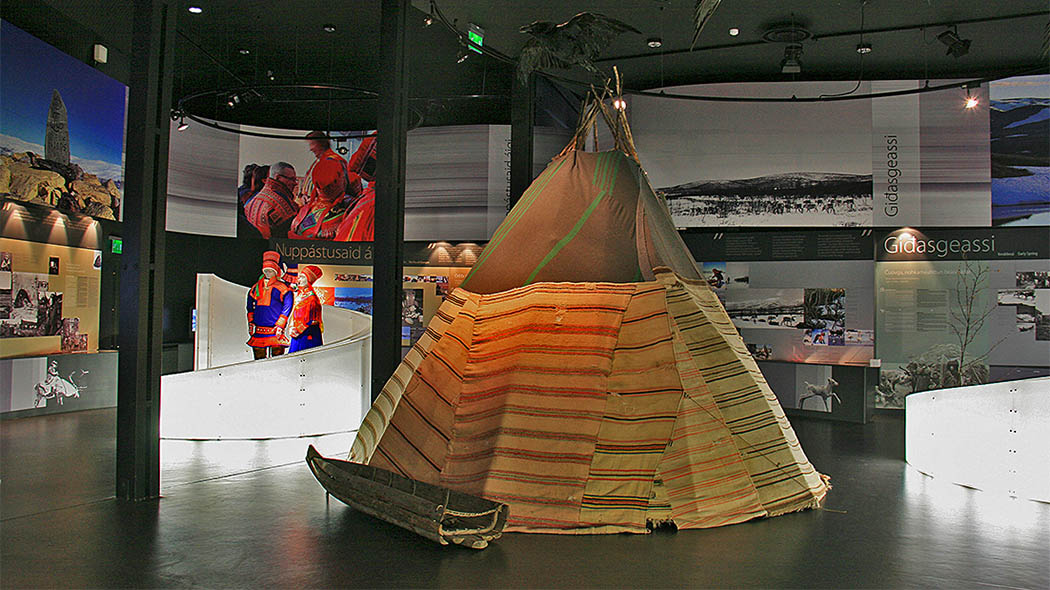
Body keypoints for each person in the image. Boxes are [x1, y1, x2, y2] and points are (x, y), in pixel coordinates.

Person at [246, 251, 293, 359]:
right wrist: (251, 322)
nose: (267, 273)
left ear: (276, 271)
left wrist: (280, 324)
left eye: (270, 271)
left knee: (277, 358)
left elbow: (287, 307)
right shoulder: (255, 288)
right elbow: (249, 306)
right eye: (266, 270)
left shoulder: (283, 288)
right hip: (258, 329)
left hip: (275, 329)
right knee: (259, 357)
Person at [244, 162, 299, 239]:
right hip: (274, 248)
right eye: (292, 179)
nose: (295, 183)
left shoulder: (254, 199)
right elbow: (295, 230)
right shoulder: (281, 202)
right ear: (278, 178)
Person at [288, 265, 324, 353]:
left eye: (303, 277)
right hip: (299, 332)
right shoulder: (301, 295)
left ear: (309, 280)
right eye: (299, 277)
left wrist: (297, 330)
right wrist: (292, 326)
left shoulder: (312, 299)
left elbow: (310, 319)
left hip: (307, 333)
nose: (299, 280)